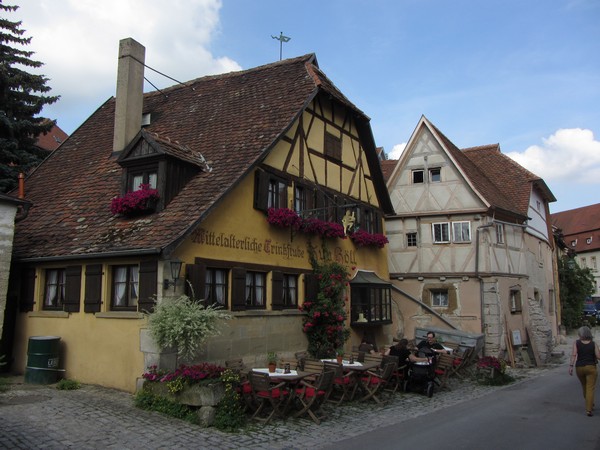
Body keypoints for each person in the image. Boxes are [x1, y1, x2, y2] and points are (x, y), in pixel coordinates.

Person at [569, 326, 600, 416]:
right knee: (590, 388)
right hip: (591, 368)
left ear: (580, 334)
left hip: (579, 368)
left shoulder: (576, 343)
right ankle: (589, 409)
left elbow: (574, 355)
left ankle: (589, 403)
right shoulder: (593, 344)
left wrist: (571, 366)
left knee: (584, 386)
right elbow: (598, 356)